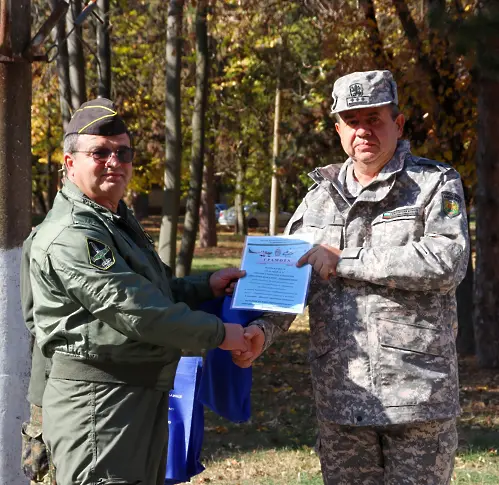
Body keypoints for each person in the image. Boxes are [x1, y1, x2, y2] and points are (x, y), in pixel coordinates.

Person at [235, 70, 469, 485]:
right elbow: (291, 277)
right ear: (339, 128)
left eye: (374, 119)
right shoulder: (319, 197)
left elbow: (446, 261)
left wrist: (345, 258)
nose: (364, 131)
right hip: (342, 398)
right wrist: (261, 332)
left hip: (416, 400)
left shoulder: (434, 184)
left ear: (397, 124)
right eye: (353, 121)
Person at [22, 98, 252, 485]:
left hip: (131, 397)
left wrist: (203, 286)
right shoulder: (72, 235)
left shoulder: (112, 219)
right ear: (69, 162)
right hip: (97, 407)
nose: (114, 161)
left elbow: (152, 292)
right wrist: (219, 334)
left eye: (123, 152)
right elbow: (136, 310)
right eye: (99, 152)